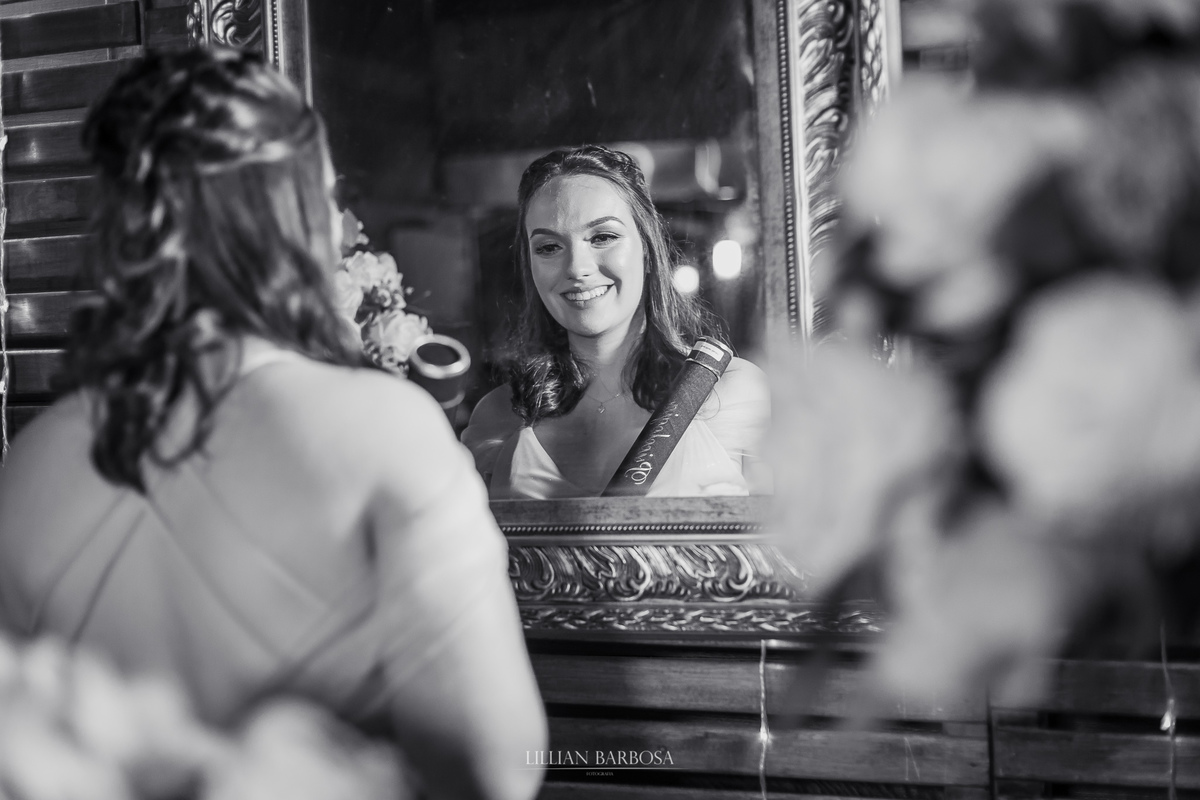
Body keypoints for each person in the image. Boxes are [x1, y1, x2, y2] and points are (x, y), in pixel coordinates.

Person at [0, 48, 545, 800]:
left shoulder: (31, 462)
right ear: (293, 216)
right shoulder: (385, 430)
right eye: (326, 196)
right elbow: (497, 770)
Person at [462, 145, 770, 498]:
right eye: (548, 247)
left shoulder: (728, 393)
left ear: (647, 247)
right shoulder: (500, 416)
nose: (577, 268)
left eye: (603, 237)